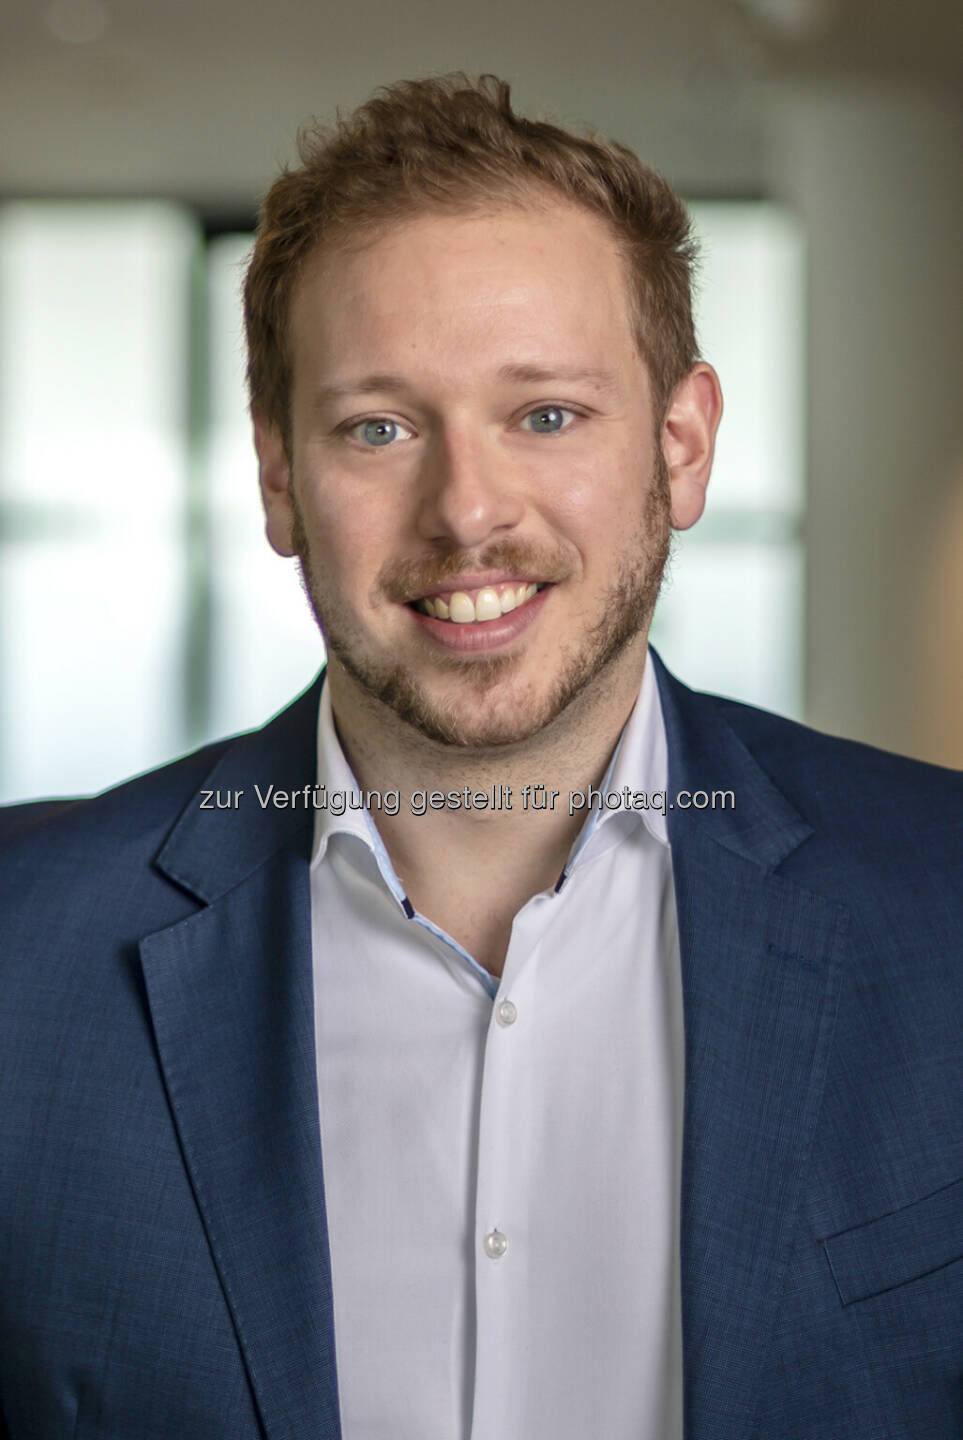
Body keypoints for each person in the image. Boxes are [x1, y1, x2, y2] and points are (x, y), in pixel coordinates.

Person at [0, 73, 961, 1440]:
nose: (467, 511)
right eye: (378, 426)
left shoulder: (947, 904)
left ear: (681, 448)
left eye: (548, 415)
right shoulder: (22, 953)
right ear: (279, 479)